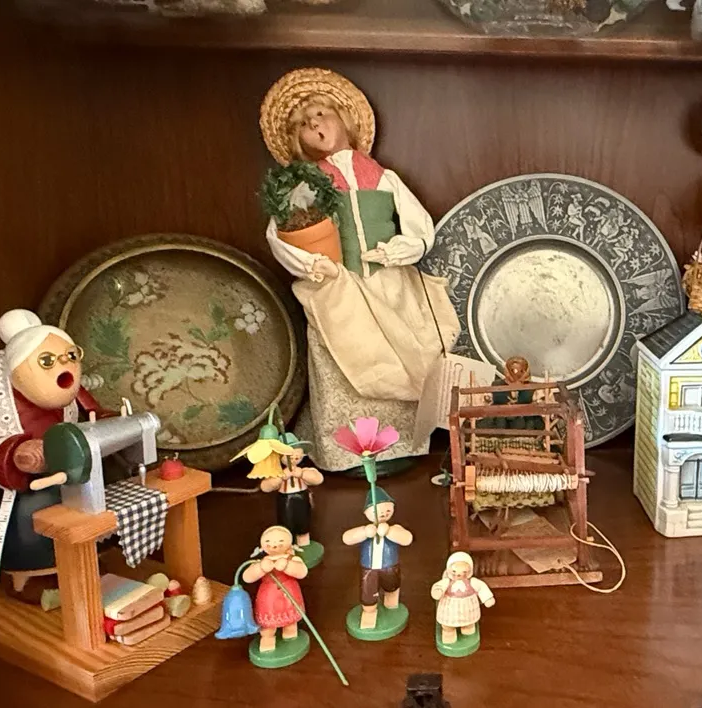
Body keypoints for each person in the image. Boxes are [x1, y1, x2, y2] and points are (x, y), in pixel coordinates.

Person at [259, 68, 459, 473]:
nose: (315, 125)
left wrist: (408, 247)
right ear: (297, 140)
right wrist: (309, 263)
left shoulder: (382, 177)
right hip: (340, 286)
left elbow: (420, 225)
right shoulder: (304, 186)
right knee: (343, 360)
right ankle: (348, 451)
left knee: (403, 354)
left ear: (344, 120)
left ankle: (398, 446)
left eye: (321, 114)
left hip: (389, 282)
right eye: (304, 123)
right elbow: (278, 234)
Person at [0, 309, 104, 601]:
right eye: (47, 361)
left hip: (68, 482)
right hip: (8, 492)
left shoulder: (67, 386)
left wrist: (114, 424)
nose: (64, 366)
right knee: (28, 513)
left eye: (71, 355)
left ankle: (85, 558)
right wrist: (12, 453)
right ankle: (26, 575)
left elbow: (94, 415)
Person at [341, 488, 414, 630]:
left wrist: (389, 531)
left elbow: (407, 539)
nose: (384, 514)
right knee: (368, 592)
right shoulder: (366, 531)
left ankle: (391, 604)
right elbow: (347, 538)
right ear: (366, 513)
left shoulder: (394, 528)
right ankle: (369, 612)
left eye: (388, 510)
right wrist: (364, 532)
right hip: (369, 569)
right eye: (378, 511)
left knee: (392, 587)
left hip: (390, 567)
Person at [240, 526, 309, 655]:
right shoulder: (261, 561)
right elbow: (247, 577)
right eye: (268, 542)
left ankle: (290, 633)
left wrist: (287, 566)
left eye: (280, 541)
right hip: (269, 596)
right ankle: (267, 639)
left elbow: (302, 572)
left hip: (289, 592)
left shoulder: (292, 559)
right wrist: (261, 568)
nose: (274, 545)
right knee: (268, 623)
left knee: (290, 619)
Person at [430, 552, 496, 646]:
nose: (459, 574)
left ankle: (467, 626)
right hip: (450, 605)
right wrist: (437, 591)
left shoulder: (472, 582)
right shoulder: (447, 582)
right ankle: (449, 631)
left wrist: (487, 598)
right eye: (454, 571)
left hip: (468, 605)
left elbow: (481, 588)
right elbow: (438, 586)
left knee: (469, 620)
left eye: (464, 572)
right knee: (448, 622)